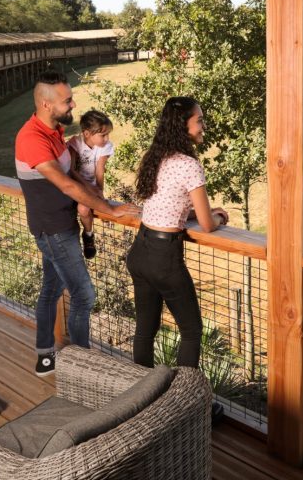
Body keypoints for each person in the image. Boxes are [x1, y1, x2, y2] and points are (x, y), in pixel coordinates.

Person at [15, 71, 139, 377]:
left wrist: (95, 193)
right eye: (67, 100)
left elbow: (70, 175)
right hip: (54, 229)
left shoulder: (54, 131)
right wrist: (110, 208)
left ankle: (46, 356)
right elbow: (67, 186)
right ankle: (82, 367)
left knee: (50, 289)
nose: (73, 104)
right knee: (84, 295)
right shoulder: (32, 138)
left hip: (61, 224)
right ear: (46, 104)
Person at [126, 96, 229, 369]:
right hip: (164, 259)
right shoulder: (189, 165)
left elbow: (172, 205)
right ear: (183, 125)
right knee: (192, 332)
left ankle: (143, 394)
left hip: (141, 250)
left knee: (145, 331)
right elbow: (208, 225)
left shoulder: (157, 156)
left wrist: (199, 212)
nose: (203, 125)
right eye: (199, 120)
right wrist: (217, 215)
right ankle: (184, 400)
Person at [67, 110, 115, 259]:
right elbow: (72, 170)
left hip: (91, 188)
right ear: (87, 134)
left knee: (84, 208)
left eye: (108, 134)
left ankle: (88, 235)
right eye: (103, 135)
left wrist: (99, 192)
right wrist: (89, 187)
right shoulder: (75, 143)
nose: (107, 138)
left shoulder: (105, 147)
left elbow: (100, 170)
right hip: (75, 184)